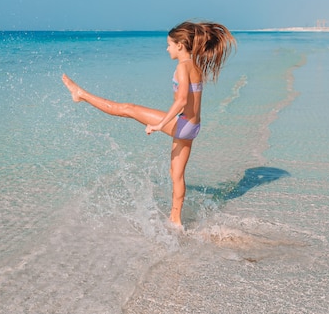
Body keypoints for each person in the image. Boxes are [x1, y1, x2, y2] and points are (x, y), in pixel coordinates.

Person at [62, 21, 236, 227]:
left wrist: (160, 124)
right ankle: (176, 221)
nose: (167, 48)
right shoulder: (195, 65)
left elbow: (181, 102)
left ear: (180, 45)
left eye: (169, 44)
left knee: (128, 108)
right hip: (193, 127)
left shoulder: (182, 67)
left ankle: (81, 94)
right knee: (176, 175)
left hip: (182, 125)